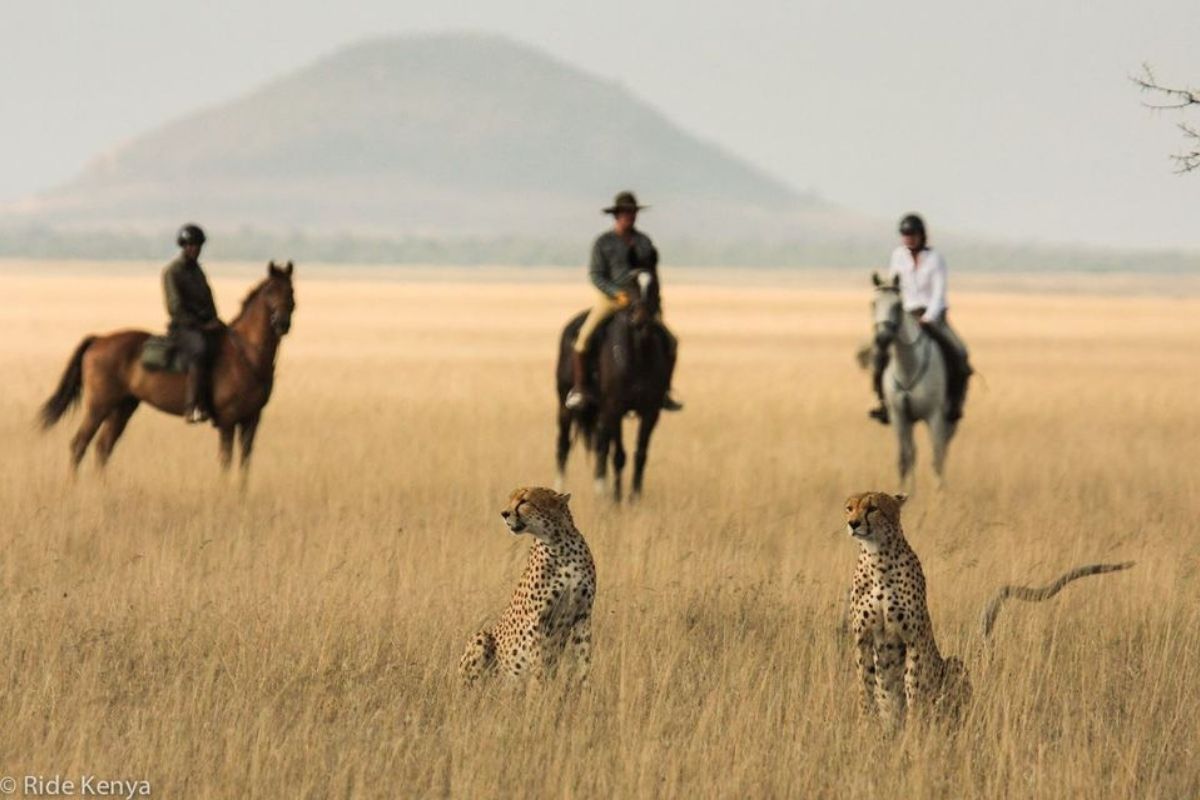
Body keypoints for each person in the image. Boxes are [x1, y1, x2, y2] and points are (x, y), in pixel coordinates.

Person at [565, 192, 683, 412]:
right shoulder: (603, 243)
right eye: (626, 212)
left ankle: (664, 390)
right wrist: (615, 293)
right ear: (617, 215)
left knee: (671, 341)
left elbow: (651, 272)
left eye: (633, 212)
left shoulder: (644, 241)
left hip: (640, 301)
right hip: (610, 299)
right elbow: (596, 274)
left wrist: (653, 300)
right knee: (583, 339)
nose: (630, 216)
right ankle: (580, 388)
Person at [869, 213, 972, 425]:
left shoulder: (935, 259)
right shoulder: (898, 256)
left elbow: (938, 293)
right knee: (878, 353)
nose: (908, 239)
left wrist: (928, 317)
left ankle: (954, 403)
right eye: (905, 235)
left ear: (921, 235)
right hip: (905, 317)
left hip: (933, 317)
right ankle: (883, 402)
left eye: (912, 235)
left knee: (959, 354)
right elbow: (895, 287)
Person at [163, 223, 223, 423]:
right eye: (190, 245)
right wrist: (202, 325)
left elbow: (209, 298)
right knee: (200, 349)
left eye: (197, 245)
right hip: (184, 328)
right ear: (183, 246)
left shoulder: (198, 271)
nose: (194, 249)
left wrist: (215, 320)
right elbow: (175, 307)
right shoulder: (172, 271)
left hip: (204, 324)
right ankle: (192, 406)